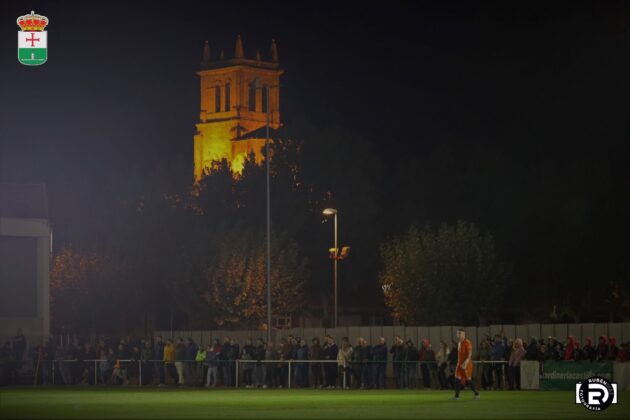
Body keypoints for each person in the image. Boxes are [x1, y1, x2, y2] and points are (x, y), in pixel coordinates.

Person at [453, 328, 479, 400]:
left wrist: (466, 362)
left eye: (459, 333)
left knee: (468, 379)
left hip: (467, 364)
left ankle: (477, 394)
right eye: (457, 333)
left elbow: (470, 354)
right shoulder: (459, 343)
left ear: (464, 334)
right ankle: (456, 396)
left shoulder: (467, 342)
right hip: (459, 364)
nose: (458, 335)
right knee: (457, 378)